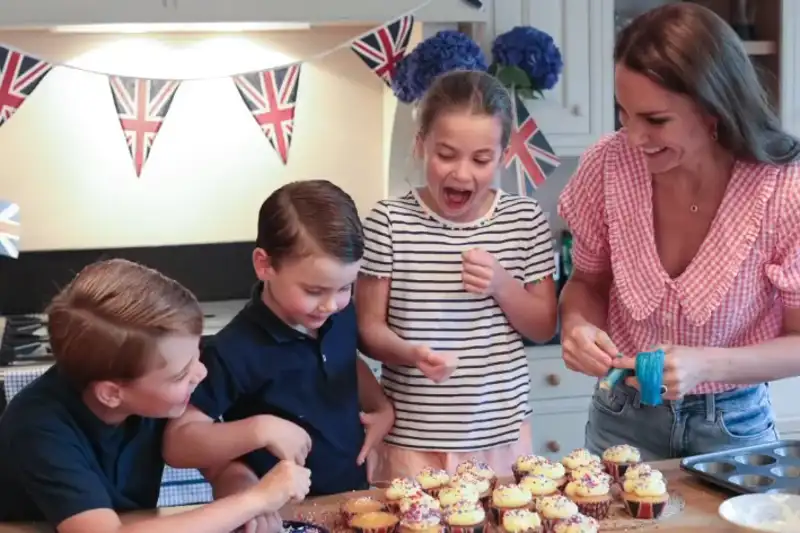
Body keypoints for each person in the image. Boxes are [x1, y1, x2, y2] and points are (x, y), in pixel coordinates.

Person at [558, 3, 800, 460]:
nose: (633, 137)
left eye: (655, 120)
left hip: (733, 423)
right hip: (620, 412)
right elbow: (587, 281)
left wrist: (709, 364)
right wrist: (576, 326)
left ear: (714, 109)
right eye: (623, 114)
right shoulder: (606, 166)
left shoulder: (784, 192)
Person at [0, 259, 311, 533]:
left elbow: (218, 465)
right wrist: (256, 499)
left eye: (197, 356)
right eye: (181, 374)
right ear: (111, 393)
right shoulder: (37, 428)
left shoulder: (159, 397)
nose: (200, 374)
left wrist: (244, 492)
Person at [356, 70, 558, 478]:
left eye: (481, 159)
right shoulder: (389, 222)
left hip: (500, 437)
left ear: (503, 156)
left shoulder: (525, 220)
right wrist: (413, 354)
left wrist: (501, 284)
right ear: (420, 145)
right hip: (411, 440)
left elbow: (543, 326)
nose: (461, 174)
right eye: (446, 154)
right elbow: (367, 331)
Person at [163, 180, 395, 509]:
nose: (331, 305)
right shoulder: (234, 349)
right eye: (314, 291)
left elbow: (344, 362)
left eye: (345, 288)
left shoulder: (338, 316)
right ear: (265, 264)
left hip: (352, 497)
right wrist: (259, 429)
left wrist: (380, 407)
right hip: (284, 512)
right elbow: (178, 442)